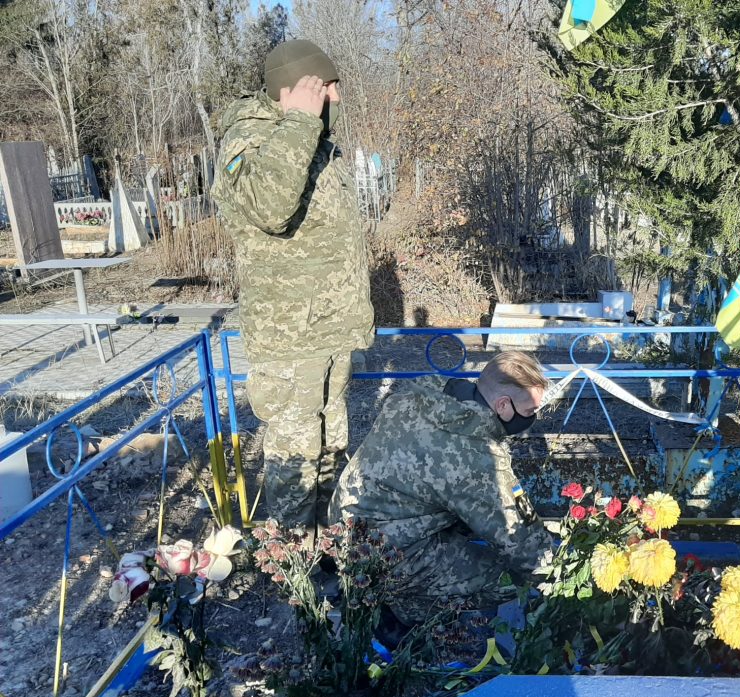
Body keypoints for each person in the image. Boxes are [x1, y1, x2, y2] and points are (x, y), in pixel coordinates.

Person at [212, 40, 372, 528]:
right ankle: (290, 559)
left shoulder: (311, 140)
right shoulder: (251, 139)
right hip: (290, 337)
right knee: (294, 458)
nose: (335, 99)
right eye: (326, 88)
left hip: (327, 328)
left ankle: (326, 547)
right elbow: (269, 206)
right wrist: (300, 120)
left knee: (330, 446)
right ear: (294, 90)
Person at [328, 351, 554, 623]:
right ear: (503, 405)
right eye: (530, 411)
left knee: (472, 526)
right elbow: (521, 542)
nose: (532, 418)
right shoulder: (475, 457)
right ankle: (402, 609)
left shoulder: (430, 390)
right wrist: (562, 574)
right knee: (506, 578)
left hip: (346, 520)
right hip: (379, 553)